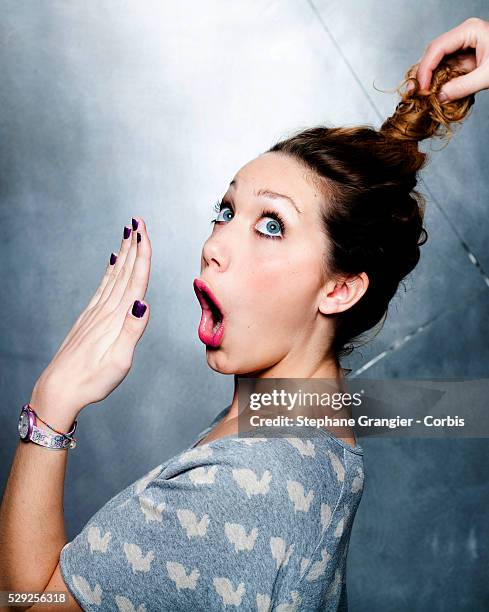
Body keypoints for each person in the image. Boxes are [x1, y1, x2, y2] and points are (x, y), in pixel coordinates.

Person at [1, 15, 488, 612]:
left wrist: (52, 404)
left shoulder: (243, 481)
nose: (215, 244)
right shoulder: (297, 418)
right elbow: (443, 407)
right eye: (226, 210)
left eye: (272, 226)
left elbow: (27, 605)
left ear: (339, 290)